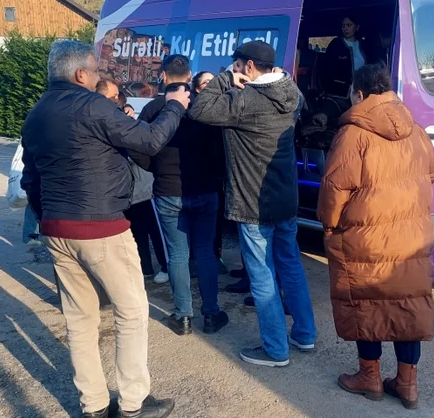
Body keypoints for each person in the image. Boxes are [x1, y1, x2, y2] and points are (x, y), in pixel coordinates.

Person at [21, 40, 188, 418]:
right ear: (80, 74)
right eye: (95, 70)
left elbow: (31, 179)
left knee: (80, 320)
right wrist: (175, 105)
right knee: (132, 312)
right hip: (100, 225)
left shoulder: (36, 113)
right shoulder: (92, 105)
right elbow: (149, 140)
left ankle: (94, 405)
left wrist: (49, 219)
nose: (98, 76)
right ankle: (133, 404)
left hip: (57, 228)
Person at [318, 64, 434, 409]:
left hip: (365, 235)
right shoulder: (416, 130)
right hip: (411, 233)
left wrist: (330, 225)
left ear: (359, 93)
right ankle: (407, 385)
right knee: (408, 302)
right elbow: (431, 173)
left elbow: (335, 188)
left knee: (365, 303)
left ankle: (369, 377)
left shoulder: (353, 134)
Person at [190, 41, 316, 367]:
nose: (233, 70)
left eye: (235, 65)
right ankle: (304, 333)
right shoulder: (290, 93)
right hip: (286, 198)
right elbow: (290, 89)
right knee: (290, 265)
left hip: (253, 203)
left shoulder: (244, 101)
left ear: (247, 67)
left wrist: (223, 78)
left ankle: (275, 349)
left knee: (262, 276)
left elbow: (199, 109)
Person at [132, 55, 228, 336]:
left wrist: (158, 169)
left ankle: (183, 315)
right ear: (189, 76)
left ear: (163, 76)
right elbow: (222, 148)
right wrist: (216, 176)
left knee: (177, 255)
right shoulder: (204, 106)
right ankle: (211, 313)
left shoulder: (152, 109)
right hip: (206, 189)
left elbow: (138, 149)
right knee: (205, 252)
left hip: (168, 191)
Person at [97, 78, 168, 284]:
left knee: (155, 230)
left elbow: (141, 148)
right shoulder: (106, 121)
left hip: (143, 188)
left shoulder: (127, 121)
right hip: (128, 191)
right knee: (138, 232)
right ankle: (145, 267)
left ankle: (165, 266)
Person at [192, 70, 229, 275]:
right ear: (197, 89)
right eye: (206, 83)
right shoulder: (194, 111)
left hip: (217, 175)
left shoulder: (224, 108)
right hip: (197, 175)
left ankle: (215, 255)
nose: (212, 85)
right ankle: (195, 259)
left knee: (216, 220)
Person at [317, 15, 384, 97]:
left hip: (362, 91)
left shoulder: (365, 45)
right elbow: (326, 69)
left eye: (349, 25)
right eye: (343, 26)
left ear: (357, 27)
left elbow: (372, 67)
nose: (345, 28)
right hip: (339, 93)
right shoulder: (336, 45)